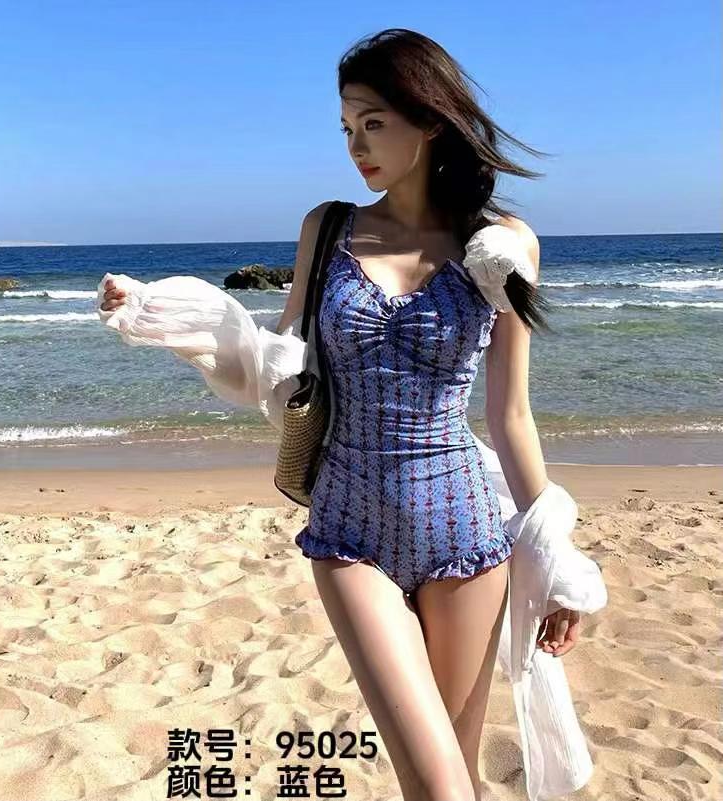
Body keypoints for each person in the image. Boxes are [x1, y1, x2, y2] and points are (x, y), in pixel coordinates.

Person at [101, 28, 581, 801]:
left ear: (430, 121)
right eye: (347, 127)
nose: (356, 145)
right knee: (438, 783)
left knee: (452, 775)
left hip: (465, 533)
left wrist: (557, 561)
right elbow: (275, 363)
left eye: (373, 123)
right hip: (348, 530)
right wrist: (162, 313)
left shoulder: (500, 244)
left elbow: (511, 416)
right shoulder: (327, 228)